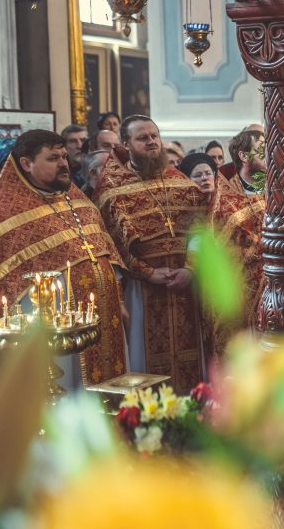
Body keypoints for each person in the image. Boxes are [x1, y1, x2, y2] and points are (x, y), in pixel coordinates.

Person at [0, 130, 128, 388]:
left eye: (64, 157)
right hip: (51, 329)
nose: (63, 164)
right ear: (26, 164)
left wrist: (120, 299)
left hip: (104, 317)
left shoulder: (80, 202)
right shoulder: (4, 211)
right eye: (53, 158)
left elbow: (107, 255)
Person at [95, 115, 209, 392]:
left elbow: (202, 231)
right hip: (142, 289)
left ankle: (196, 417)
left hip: (186, 287)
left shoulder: (183, 184)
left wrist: (190, 269)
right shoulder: (112, 189)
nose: (151, 142)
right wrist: (147, 273)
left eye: (154, 136)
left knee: (193, 360)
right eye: (142, 138)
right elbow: (111, 245)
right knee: (144, 360)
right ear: (126, 144)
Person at [208, 130, 266, 356]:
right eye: (262, 150)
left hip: (277, 286)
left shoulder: (277, 188)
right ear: (243, 156)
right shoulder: (225, 197)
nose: (270, 155)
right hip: (242, 288)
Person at [227, 129, 265, 195]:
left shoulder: (275, 185)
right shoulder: (228, 192)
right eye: (262, 150)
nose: (267, 155)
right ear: (244, 156)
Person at [61, 124, 88, 188]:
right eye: (73, 141)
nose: (80, 146)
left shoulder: (97, 170)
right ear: (64, 146)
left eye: (83, 140)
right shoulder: (59, 171)